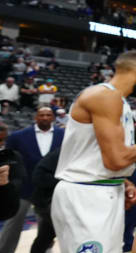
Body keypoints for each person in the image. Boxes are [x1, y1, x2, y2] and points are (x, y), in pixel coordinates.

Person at [51, 50, 136, 253]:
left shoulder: (118, 101)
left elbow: (98, 154)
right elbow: (116, 160)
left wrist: (122, 181)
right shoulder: (103, 96)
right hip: (86, 194)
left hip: (103, 189)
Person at [0, 107, 64, 253]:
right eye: (42, 115)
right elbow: (9, 159)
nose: (45, 117)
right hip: (23, 190)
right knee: (12, 226)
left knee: (46, 230)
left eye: (48, 115)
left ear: (53, 117)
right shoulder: (18, 136)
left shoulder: (64, 135)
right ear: (36, 117)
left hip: (49, 191)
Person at [0, 122, 26, 221]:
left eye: (1, 140)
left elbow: (19, 181)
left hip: (6, 205)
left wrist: (5, 184)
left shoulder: (13, 155)